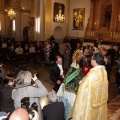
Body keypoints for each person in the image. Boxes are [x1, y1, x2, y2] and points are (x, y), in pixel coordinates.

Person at [69, 53, 108, 120]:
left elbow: (83, 88)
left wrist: (81, 82)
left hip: (90, 101)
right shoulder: (103, 71)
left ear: (95, 61)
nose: (91, 60)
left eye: (92, 58)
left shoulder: (93, 74)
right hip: (98, 99)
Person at [57, 50, 84, 120]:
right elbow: (82, 80)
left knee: (66, 106)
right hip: (74, 94)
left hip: (68, 92)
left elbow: (65, 80)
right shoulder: (79, 70)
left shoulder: (72, 68)